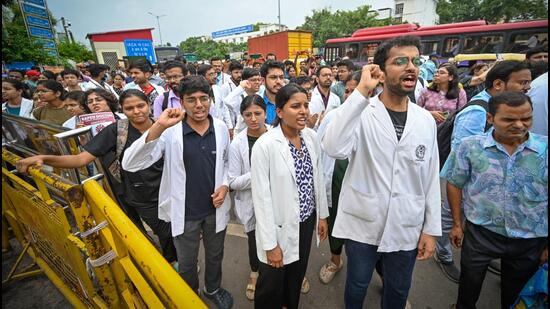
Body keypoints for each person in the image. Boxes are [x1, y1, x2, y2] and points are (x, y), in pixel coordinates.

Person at [322, 36, 441, 309]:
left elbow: (430, 177)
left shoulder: (425, 121)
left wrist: (431, 230)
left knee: (398, 290)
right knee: (357, 285)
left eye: (415, 61)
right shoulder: (361, 111)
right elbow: (333, 146)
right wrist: (362, 92)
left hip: (406, 226)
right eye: (400, 61)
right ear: (381, 72)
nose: (411, 67)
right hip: (363, 224)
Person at [16, 89, 178, 267]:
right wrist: (45, 158)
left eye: (140, 105)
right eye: (129, 108)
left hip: (169, 190)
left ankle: (172, 261)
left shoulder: (166, 126)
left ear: (148, 105)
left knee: (174, 230)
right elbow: (80, 159)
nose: (137, 111)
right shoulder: (116, 131)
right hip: (139, 195)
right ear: (122, 110)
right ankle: (169, 263)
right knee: (161, 231)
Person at [122, 76, 234, 309]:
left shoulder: (221, 127)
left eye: (204, 99)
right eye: (191, 100)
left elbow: (225, 163)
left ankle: (212, 289)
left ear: (211, 100)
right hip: (185, 212)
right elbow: (130, 163)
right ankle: (188, 296)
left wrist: (224, 186)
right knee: (186, 261)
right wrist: (159, 125)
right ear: (181, 103)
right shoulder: (171, 132)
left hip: (215, 208)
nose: (199, 105)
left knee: (215, 255)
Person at [443, 92, 548, 309]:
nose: (519, 125)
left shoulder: (545, 150)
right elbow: (455, 183)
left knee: (515, 294)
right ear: (490, 118)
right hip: (481, 234)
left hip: (530, 239)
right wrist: (456, 224)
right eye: (509, 119)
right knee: (469, 286)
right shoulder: (470, 146)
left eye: (526, 118)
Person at [251, 83, 328, 309]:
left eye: (305, 105)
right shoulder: (265, 145)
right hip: (278, 228)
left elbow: (318, 178)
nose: (303, 111)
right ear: (280, 111)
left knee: (295, 276)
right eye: (295, 106)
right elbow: (261, 199)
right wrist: (270, 244)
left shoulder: (311, 137)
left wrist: (321, 215)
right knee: (271, 284)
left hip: (304, 223)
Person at [317, 71, 361, 285]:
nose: (351, 96)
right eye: (348, 91)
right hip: (334, 181)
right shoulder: (333, 116)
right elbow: (318, 148)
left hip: (362, 188)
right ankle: (335, 261)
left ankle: (384, 278)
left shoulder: (376, 118)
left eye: (357, 91)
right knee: (334, 224)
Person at [228, 95, 269, 301]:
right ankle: (255, 273)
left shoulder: (278, 135)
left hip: (278, 201)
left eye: (258, 113)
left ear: (266, 113)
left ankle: (292, 274)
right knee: (255, 241)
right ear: (242, 116)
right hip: (251, 203)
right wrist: (261, 173)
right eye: (248, 115)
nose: (253, 119)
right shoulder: (238, 143)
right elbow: (233, 181)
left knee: (283, 238)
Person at [223, 68, 263, 134]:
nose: (257, 82)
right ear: (245, 82)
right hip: (241, 134)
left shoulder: (259, 96)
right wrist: (241, 87)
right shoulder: (239, 97)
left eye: (259, 80)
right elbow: (227, 102)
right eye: (253, 80)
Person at [198, 64, 233, 133]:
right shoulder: (198, 94)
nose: (215, 77)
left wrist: (230, 126)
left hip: (220, 127)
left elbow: (224, 108)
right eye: (211, 74)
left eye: (215, 74)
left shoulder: (217, 89)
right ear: (202, 77)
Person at [260, 61, 286, 125]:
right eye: (273, 77)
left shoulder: (290, 101)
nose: (278, 81)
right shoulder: (257, 103)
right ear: (263, 80)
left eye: (281, 77)